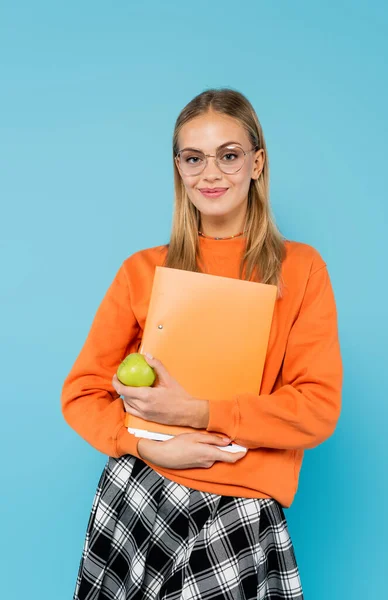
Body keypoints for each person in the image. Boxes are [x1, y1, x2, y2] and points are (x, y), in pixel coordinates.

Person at [61, 88, 342, 600]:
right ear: (179, 169)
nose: (210, 174)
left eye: (228, 156)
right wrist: (146, 446)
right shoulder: (142, 271)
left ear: (257, 163)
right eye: (194, 158)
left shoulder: (300, 269)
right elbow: (81, 393)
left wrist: (196, 412)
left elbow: (316, 409)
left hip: (241, 506)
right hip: (143, 494)